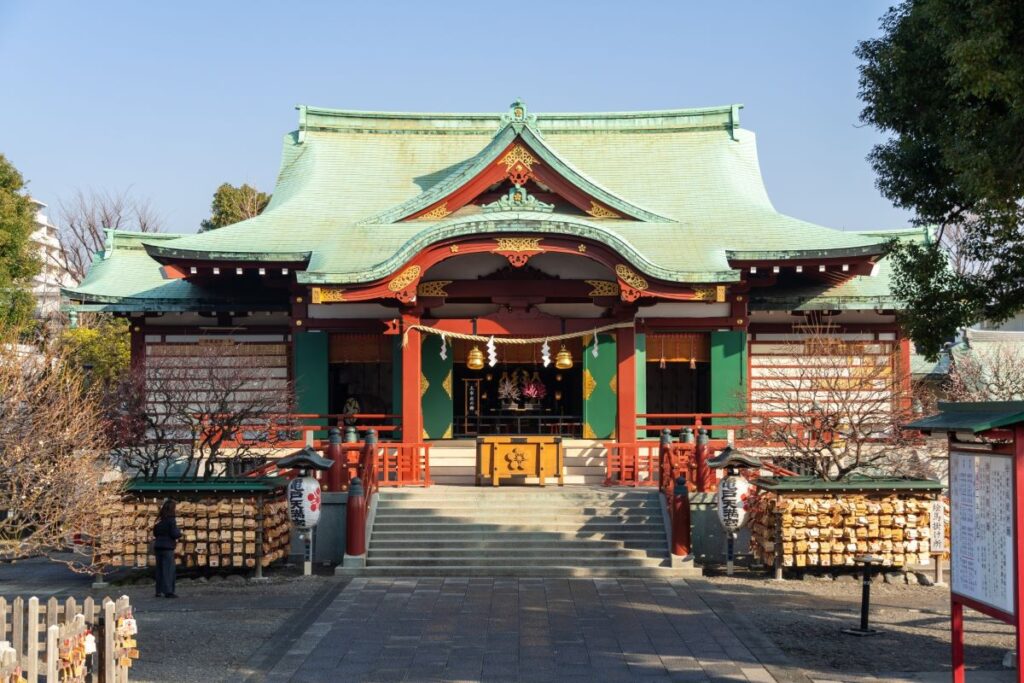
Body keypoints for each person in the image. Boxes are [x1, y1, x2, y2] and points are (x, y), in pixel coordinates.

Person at [153, 499, 181, 598]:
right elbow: (174, 534)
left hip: (158, 546)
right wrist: (179, 532)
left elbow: (155, 533)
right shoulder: (171, 520)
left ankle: (159, 591)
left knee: (160, 569)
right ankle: (169, 591)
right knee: (168, 570)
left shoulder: (158, 520)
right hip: (167, 547)